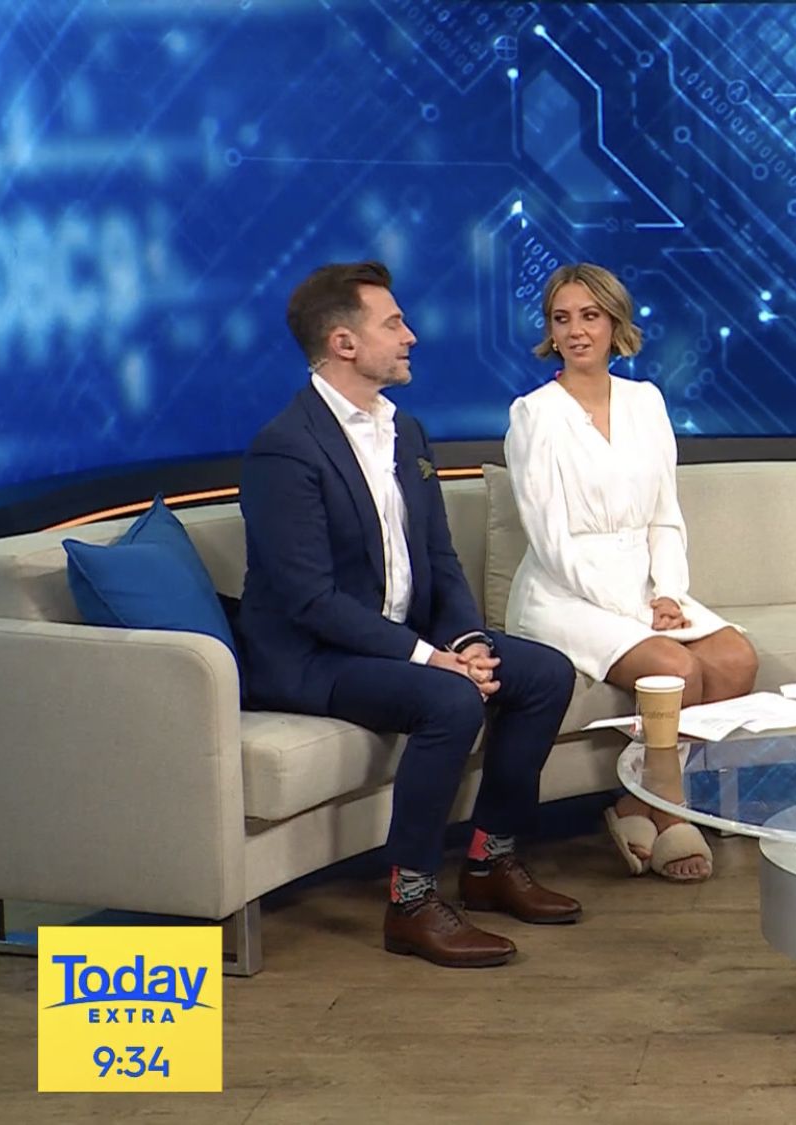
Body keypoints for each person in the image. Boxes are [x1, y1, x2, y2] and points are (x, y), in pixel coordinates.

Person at [237, 261, 581, 969]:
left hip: (402, 640)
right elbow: (310, 600)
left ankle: (490, 861)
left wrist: (469, 640)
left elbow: (439, 558)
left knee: (545, 673)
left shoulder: (407, 432)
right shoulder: (285, 448)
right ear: (343, 343)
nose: (411, 336)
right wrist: (431, 660)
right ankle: (412, 902)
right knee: (450, 699)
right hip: (312, 657)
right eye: (393, 323)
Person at [503, 263, 758, 883]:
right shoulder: (534, 414)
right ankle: (671, 811)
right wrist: (636, 613)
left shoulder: (646, 401)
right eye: (562, 319)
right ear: (550, 331)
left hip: (644, 586)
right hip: (565, 592)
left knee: (734, 659)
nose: (576, 331)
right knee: (676, 668)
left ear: (614, 323)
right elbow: (549, 539)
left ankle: (634, 802)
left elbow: (664, 515)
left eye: (590, 316)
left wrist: (668, 593)